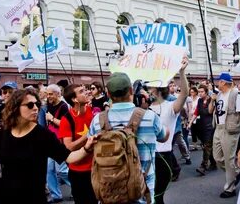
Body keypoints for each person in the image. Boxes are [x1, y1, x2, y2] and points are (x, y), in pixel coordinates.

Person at [0, 88, 96, 204]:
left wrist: (86, 148)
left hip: (33, 197)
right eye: (29, 105)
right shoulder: (5, 133)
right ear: (16, 108)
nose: (35, 108)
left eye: (36, 104)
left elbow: (68, 157)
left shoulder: (43, 135)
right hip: (4, 196)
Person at [89, 71, 168, 203]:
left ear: (108, 94)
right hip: (141, 193)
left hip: (108, 192)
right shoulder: (149, 116)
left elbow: (90, 147)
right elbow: (164, 136)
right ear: (131, 90)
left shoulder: (98, 120)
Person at [148, 57, 189, 204]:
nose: (148, 91)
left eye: (150, 88)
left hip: (163, 157)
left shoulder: (170, 107)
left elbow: (184, 94)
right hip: (145, 157)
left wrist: (182, 73)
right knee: (146, 196)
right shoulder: (143, 109)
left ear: (159, 89)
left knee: (158, 197)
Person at [212, 72, 240, 198]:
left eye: (219, 81)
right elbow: (210, 111)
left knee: (229, 159)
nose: (217, 82)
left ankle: (230, 188)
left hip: (230, 129)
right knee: (217, 158)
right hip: (218, 128)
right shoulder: (218, 95)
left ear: (223, 82)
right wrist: (212, 100)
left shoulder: (235, 94)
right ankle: (236, 172)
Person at [58, 84, 97, 204]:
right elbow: (69, 146)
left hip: (97, 167)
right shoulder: (67, 119)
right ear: (74, 99)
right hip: (78, 172)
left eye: (85, 90)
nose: (87, 92)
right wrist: (88, 135)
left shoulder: (93, 112)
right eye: (81, 91)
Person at [45, 84, 70, 204]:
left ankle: (80, 187)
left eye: (51, 94)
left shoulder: (64, 106)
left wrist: (51, 119)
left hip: (60, 142)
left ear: (58, 93)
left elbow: (65, 125)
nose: (48, 96)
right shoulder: (49, 105)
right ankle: (55, 195)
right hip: (51, 140)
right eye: (47, 94)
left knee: (62, 171)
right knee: (49, 169)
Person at [188, 84, 217, 175]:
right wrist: (190, 122)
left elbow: (210, 111)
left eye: (202, 92)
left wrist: (212, 100)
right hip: (202, 125)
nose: (200, 94)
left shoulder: (211, 99)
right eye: (199, 92)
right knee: (207, 146)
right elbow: (196, 112)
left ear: (206, 92)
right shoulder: (200, 100)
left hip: (210, 126)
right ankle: (213, 163)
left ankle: (203, 166)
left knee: (206, 146)